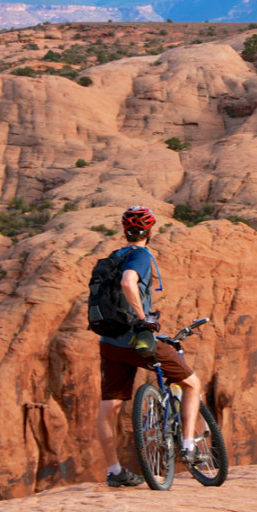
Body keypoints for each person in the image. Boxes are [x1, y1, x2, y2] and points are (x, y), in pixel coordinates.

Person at [95, 205, 204, 487]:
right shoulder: (140, 255)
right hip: (136, 338)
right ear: (149, 231)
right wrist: (143, 319)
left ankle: (115, 471)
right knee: (192, 383)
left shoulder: (113, 256)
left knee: (110, 406)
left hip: (110, 341)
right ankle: (190, 445)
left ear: (124, 230)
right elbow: (128, 282)